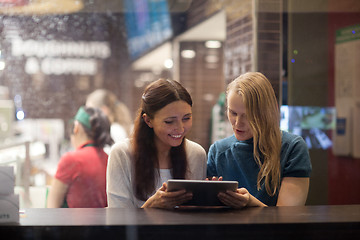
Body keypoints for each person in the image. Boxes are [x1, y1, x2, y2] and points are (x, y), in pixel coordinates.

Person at [207, 72, 312, 208]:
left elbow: (288, 218)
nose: (238, 123)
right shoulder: (218, 151)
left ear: (265, 113)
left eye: (248, 116)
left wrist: (250, 203)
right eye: (233, 113)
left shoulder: (292, 148)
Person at [107, 78, 207, 208]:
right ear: (148, 120)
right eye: (170, 121)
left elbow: (197, 217)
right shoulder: (122, 154)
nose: (181, 128)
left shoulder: (196, 154)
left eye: (186, 118)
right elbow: (118, 221)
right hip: (141, 230)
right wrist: (150, 207)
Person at [47, 106, 114, 208]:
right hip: (105, 223)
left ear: (76, 127)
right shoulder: (109, 160)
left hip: (75, 224)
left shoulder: (71, 160)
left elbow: (52, 208)